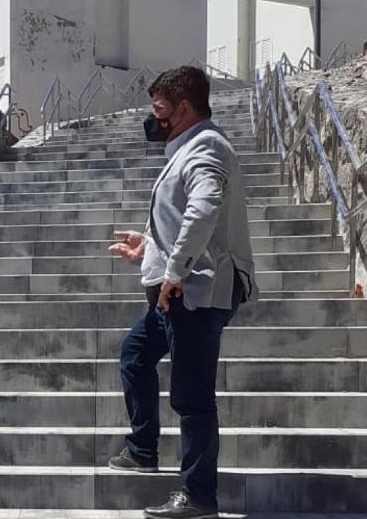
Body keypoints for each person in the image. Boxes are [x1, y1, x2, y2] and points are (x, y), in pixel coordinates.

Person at [106, 66, 258, 519]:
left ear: (185, 108)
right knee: (135, 355)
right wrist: (148, 245)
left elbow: (204, 209)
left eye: (160, 111)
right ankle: (142, 449)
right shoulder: (189, 147)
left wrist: (173, 272)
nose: (154, 120)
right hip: (174, 297)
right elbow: (183, 222)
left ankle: (198, 497)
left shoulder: (207, 147)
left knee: (192, 398)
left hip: (194, 296)